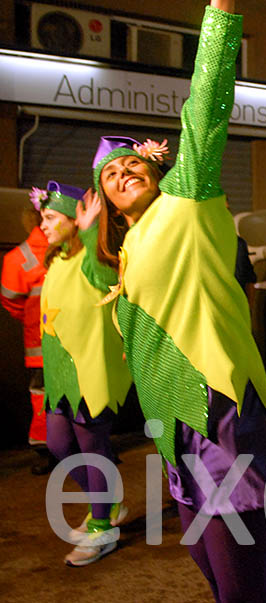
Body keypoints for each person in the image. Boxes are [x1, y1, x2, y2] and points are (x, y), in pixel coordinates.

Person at [91, 1, 266, 599]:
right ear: (105, 202)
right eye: (111, 174)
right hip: (175, 433)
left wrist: (220, 19)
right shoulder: (124, 256)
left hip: (221, 415)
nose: (126, 171)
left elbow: (204, 112)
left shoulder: (186, 202)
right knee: (208, 559)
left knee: (241, 583)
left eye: (132, 163)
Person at [36, 182, 131, 566]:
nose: (43, 225)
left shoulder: (96, 258)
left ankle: (102, 525)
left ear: (75, 222)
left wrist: (92, 230)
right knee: (59, 445)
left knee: (93, 448)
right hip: (60, 375)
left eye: (50, 217)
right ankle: (105, 503)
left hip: (88, 371)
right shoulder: (56, 259)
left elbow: (106, 284)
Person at [1, 201, 52, 474]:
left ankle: (46, 449)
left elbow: (10, 300)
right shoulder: (75, 249)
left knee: (42, 396)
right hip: (76, 345)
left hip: (39, 345)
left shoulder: (16, 258)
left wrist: (31, 319)